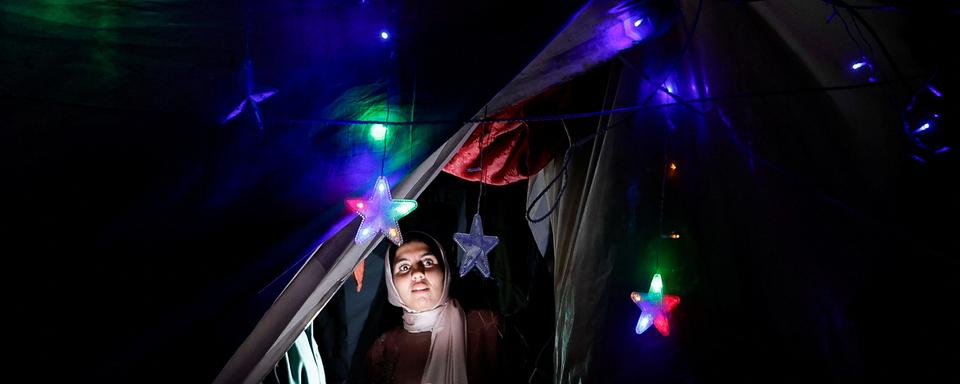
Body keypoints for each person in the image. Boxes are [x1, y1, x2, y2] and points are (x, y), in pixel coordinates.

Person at [362, 231, 499, 384]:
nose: (417, 273)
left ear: (444, 271)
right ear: (391, 282)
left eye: (428, 262)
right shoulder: (383, 347)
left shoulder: (486, 326)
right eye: (404, 267)